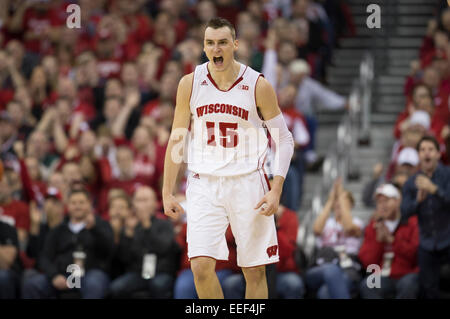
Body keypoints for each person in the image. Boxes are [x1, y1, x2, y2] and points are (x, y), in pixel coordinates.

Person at [162, 17, 294, 299]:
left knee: (255, 271)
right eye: (210, 43)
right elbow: (177, 138)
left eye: (222, 42)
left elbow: (283, 138)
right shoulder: (190, 83)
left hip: (248, 182)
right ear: (204, 46)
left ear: (235, 45)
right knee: (199, 267)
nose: (216, 48)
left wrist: (276, 188)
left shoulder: (258, 84)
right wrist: (167, 190)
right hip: (203, 182)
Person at [22, 187, 114, 299]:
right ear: (67, 205)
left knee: (94, 284)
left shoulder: (102, 226)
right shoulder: (58, 230)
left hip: (91, 274)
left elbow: (110, 251)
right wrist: (54, 275)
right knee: (32, 285)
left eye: (81, 202)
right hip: (62, 274)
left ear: (89, 204)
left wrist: (94, 229)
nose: (77, 206)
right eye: (73, 203)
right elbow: (44, 257)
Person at [401, 135, 450, 298]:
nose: (426, 153)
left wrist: (434, 190)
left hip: (448, 237)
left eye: (430, 149)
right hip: (427, 243)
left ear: (438, 153)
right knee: (429, 290)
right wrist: (417, 202)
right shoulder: (411, 183)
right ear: (418, 155)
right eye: (422, 150)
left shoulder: (448, 175)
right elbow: (404, 212)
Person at [109, 186, 178, 298]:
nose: (141, 205)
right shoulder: (131, 225)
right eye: (138, 200)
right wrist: (128, 235)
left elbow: (163, 248)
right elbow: (124, 258)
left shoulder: (165, 224)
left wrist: (147, 225)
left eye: (145, 200)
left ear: (155, 204)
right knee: (117, 287)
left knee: (158, 285)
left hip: (161, 271)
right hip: (138, 273)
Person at [359, 184, 420, 299]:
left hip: (407, 274)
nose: (382, 205)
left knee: (407, 285)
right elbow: (368, 263)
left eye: (386, 201)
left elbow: (415, 255)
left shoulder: (412, 222)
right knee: (368, 285)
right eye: (379, 202)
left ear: (397, 201)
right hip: (383, 276)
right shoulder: (373, 226)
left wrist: (392, 240)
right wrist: (378, 241)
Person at [307, 178, 363, 299]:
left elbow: (348, 227)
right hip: (321, 267)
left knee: (324, 293)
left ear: (351, 204)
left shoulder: (357, 222)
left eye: (343, 199)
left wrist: (341, 196)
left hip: (347, 268)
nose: (339, 203)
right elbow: (316, 230)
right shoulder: (327, 222)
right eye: (336, 200)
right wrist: (330, 200)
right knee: (331, 269)